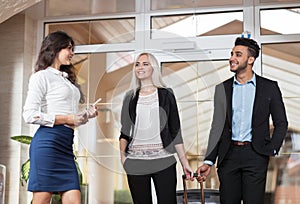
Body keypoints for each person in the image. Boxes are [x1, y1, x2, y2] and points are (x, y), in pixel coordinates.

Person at [196, 37, 288, 204]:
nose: (232, 58)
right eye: (232, 54)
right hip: (228, 156)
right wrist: (209, 160)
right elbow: (217, 127)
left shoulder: (269, 87)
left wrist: (272, 149)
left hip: (256, 155)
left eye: (238, 54)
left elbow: (281, 123)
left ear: (250, 59)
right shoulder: (222, 89)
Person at [23, 31, 98, 204]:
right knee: (42, 199)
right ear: (55, 48)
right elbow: (29, 114)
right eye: (69, 48)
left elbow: (71, 117)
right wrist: (67, 119)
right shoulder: (41, 77)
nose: (72, 53)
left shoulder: (66, 80)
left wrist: (86, 115)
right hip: (47, 143)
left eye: (73, 49)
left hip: (65, 146)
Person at [119, 52, 193, 204]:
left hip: (163, 160)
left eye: (145, 64)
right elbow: (124, 131)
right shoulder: (130, 97)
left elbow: (175, 131)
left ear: (153, 68)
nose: (140, 67)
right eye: (137, 64)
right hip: (135, 162)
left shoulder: (166, 94)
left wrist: (184, 163)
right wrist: (123, 158)